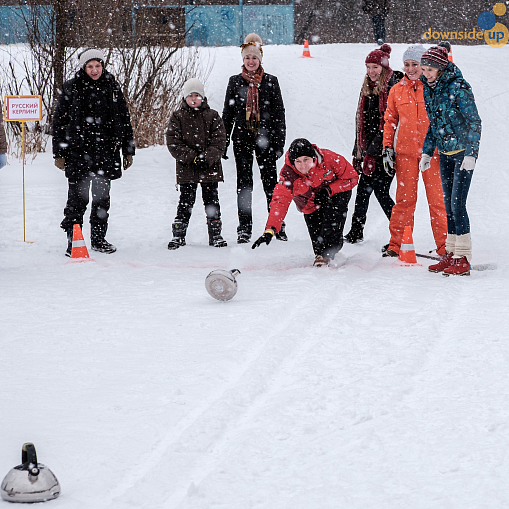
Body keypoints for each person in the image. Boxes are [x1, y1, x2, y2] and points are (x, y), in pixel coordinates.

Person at [52, 48, 135, 256]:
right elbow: (59, 122)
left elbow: (124, 119)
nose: (95, 70)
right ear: (84, 67)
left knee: (101, 200)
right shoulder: (72, 88)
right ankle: (74, 241)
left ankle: (99, 239)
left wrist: (128, 149)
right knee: (77, 201)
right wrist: (59, 153)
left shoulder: (112, 87)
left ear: (102, 66)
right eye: (90, 66)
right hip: (78, 154)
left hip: (105, 154)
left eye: (98, 65)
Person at [420, 44, 482, 276]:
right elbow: (434, 124)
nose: (425, 73)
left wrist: (471, 154)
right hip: (444, 154)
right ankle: (452, 254)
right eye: (423, 69)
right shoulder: (429, 88)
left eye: (429, 69)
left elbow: (475, 122)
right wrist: (427, 151)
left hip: (462, 153)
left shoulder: (459, 87)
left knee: (458, 204)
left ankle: (463, 257)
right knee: (448, 206)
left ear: (440, 68)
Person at [381, 45, 447, 258]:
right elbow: (390, 120)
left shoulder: (435, 88)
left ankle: (445, 246)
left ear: (424, 65)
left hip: (433, 154)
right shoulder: (396, 90)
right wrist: (387, 148)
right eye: (407, 64)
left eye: (415, 64)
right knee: (404, 201)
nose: (410, 69)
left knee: (437, 202)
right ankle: (397, 244)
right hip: (406, 154)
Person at [252, 138, 358, 267]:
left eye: (306, 160)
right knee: (318, 242)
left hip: (335, 195)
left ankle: (328, 251)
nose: (303, 165)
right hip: (309, 202)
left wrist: (328, 190)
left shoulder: (329, 159)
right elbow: (280, 202)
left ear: (313, 158)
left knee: (331, 231)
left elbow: (352, 177)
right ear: (293, 162)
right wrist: (270, 230)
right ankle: (323, 252)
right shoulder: (288, 175)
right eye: (298, 161)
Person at [222, 33, 286, 244]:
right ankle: (244, 228)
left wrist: (279, 143)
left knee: (271, 185)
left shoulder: (270, 82)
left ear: (260, 60)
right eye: (247, 58)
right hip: (242, 140)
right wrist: (224, 143)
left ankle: (276, 226)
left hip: (265, 140)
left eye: (254, 58)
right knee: (244, 185)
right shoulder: (234, 81)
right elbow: (227, 115)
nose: (251, 62)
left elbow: (279, 114)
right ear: (243, 60)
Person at [344, 44, 403, 245]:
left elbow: (388, 123)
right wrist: (359, 153)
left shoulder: (393, 86)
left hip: (387, 150)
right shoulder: (367, 88)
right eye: (368, 67)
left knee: (380, 191)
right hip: (370, 149)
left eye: (375, 67)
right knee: (363, 190)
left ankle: (401, 233)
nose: (371, 71)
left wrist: (372, 153)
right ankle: (356, 231)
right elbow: (362, 123)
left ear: (384, 68)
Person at [166, 78, 227, 249]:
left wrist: (206, 157)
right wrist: (192, 157)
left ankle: (215, 234)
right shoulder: (177, 117)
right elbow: (173, 143)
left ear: (203, 97)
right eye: (190, 95)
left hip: (210, 168)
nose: (193, 99)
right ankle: (178, 235)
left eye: (197, 95)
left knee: (211, 201)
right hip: (187, 168)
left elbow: (220, 141)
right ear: (185, 97)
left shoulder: (213, 116)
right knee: (185, 201)